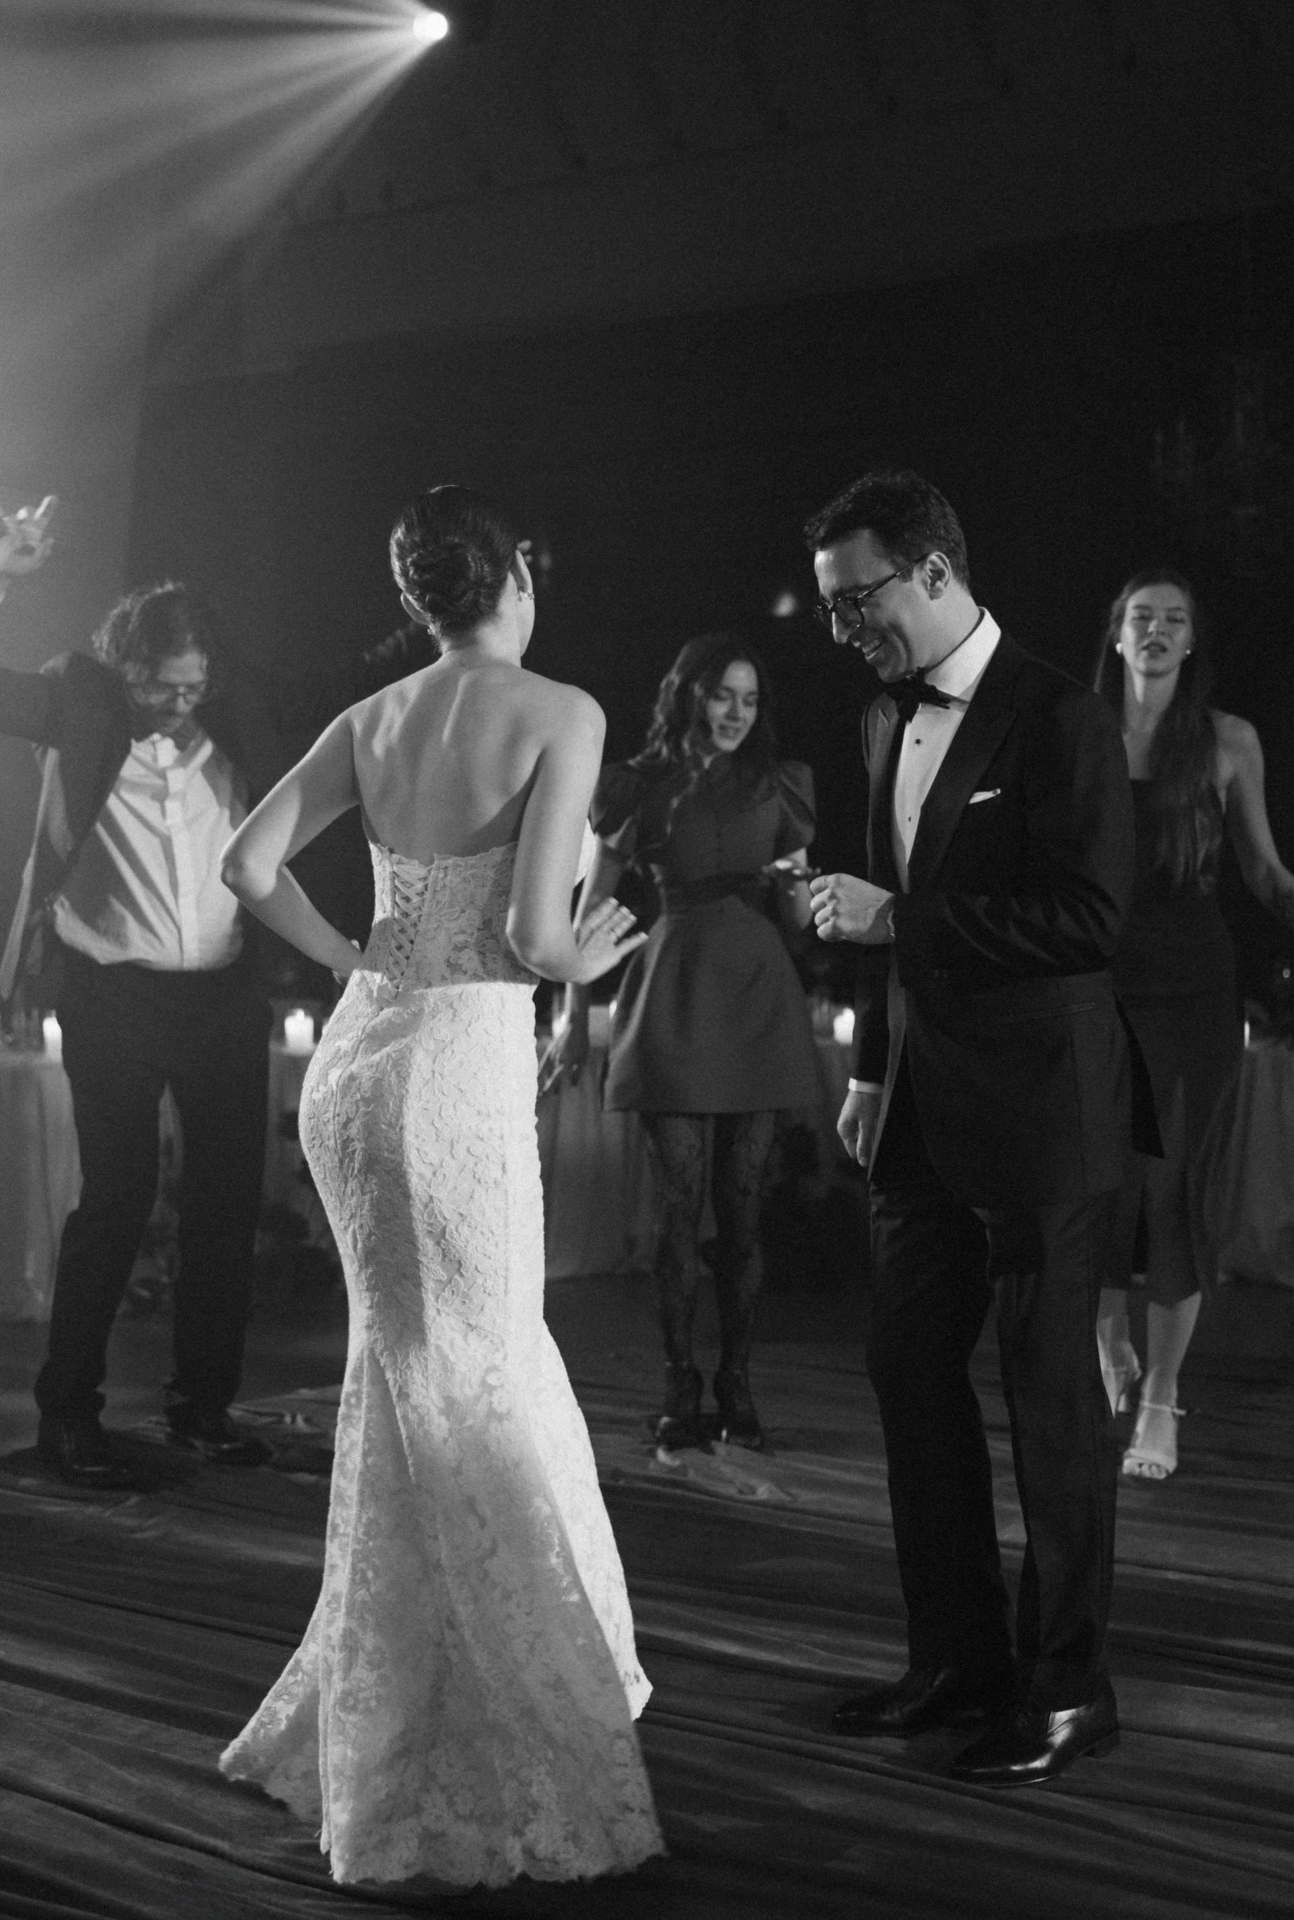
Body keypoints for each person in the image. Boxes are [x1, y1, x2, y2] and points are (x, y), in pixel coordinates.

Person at [216, 486, 663, 1889]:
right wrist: (589, 957)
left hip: (357, 1067)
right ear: (516, 574)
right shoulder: (561, 711)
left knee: (405, 1371)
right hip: (459, 1063)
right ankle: (498, 1730)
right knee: (475, 1370)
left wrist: (347, 953)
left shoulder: (373, 718)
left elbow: (243, 864)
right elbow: (533, 932)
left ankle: (396, 1715)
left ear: (420, 597)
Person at [806, 469, 1147, 1788]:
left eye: (858, 601)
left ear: (934, 573)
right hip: (920, 1110)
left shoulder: (1061, 715)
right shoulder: (877, 716)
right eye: (834, 610)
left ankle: (1067, 1688)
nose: (846, 630)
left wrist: (900, 920)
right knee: (906, 1368)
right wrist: (868, 1070)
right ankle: (955, 1659)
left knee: (1051, 1402)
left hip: (1045, 1114)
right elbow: (880, 923)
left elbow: (1087, 921)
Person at [0, 498, 286, 1489]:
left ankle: (202, 1407)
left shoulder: (235, 717)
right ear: (125, 667)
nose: (177, 703)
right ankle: (68, 1416)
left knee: (224, 1209)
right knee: (116, 1202)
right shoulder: (76, 704)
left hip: (222, 999)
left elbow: (351, 698)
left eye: (193, 687)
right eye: (160, 686)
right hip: (111, 995)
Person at [540, 635, 817, 1450]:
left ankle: (736, 1385)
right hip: (672, 991)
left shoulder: (780, 785)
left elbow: (800, 924)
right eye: (723, 694)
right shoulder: (635, 785)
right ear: (689, 695)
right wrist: (571, 1014)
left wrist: (797, 886)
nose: (736, 712)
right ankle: (679, 1387)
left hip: (756, 994)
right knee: (677, 1209)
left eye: (749, 699)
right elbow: (590, 910)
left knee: (741, 1210)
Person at [1093, 570, 1294, 1478]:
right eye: (1141, 617)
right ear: (1115, 634)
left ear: (1190, 640)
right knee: (1098, 1187)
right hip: (1096, 988)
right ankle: (1107, 1340)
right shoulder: (1080, 733)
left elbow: (1264, 872)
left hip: (1193, 993)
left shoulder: (1227, 740)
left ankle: (1161, 1400)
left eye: (1173, 619)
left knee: (1174, 1191)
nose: (1156, 630)